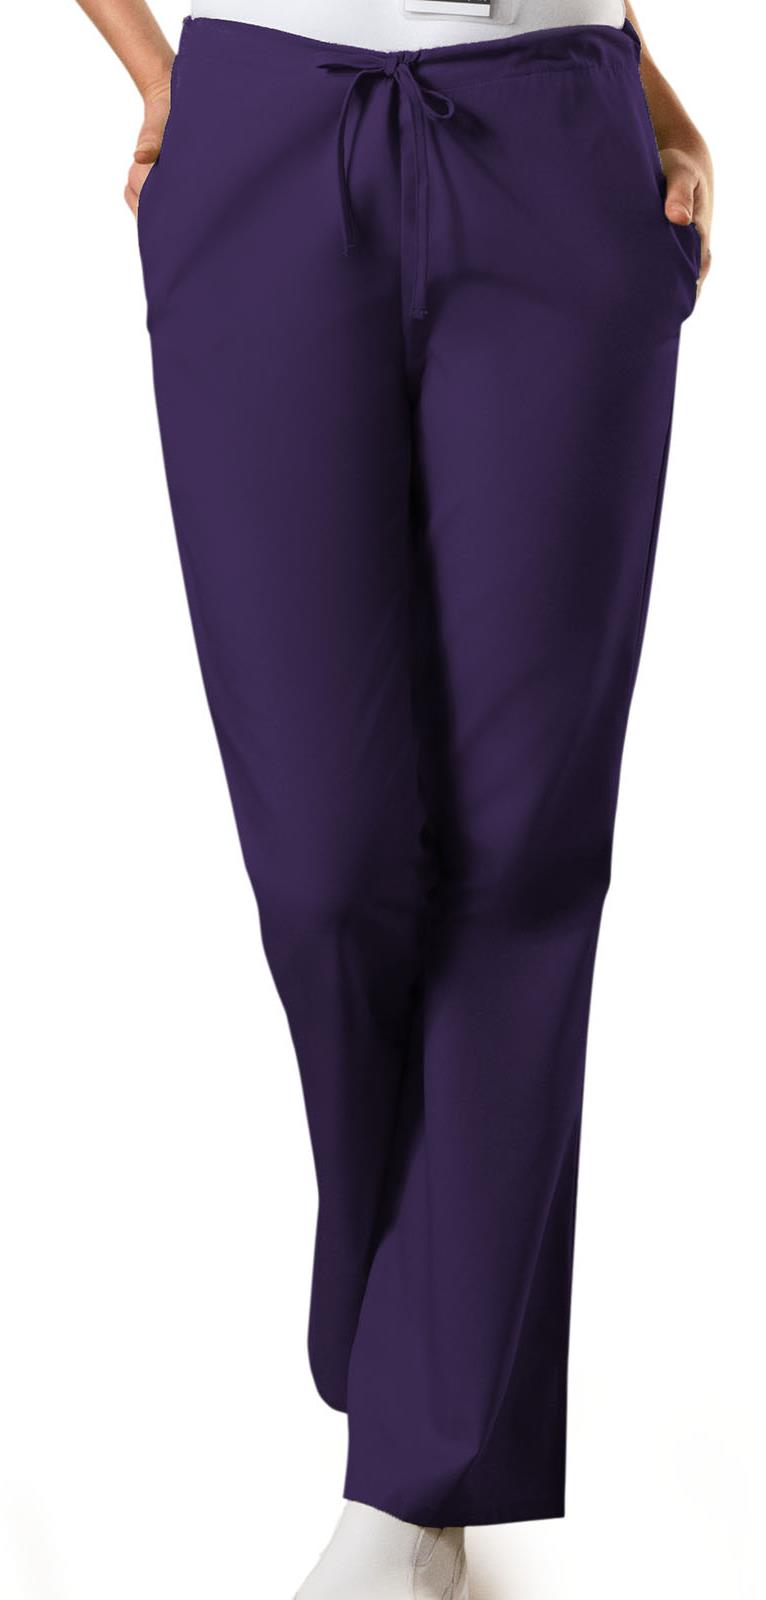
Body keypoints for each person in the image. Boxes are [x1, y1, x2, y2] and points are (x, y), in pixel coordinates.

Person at [75, 1, 713, 1594]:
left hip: (556, 132)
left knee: (524, 842)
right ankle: (409, 1302)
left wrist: (641, 78)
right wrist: (158, 77)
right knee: (323, 865)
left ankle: (410, 1494)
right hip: (267, 119)